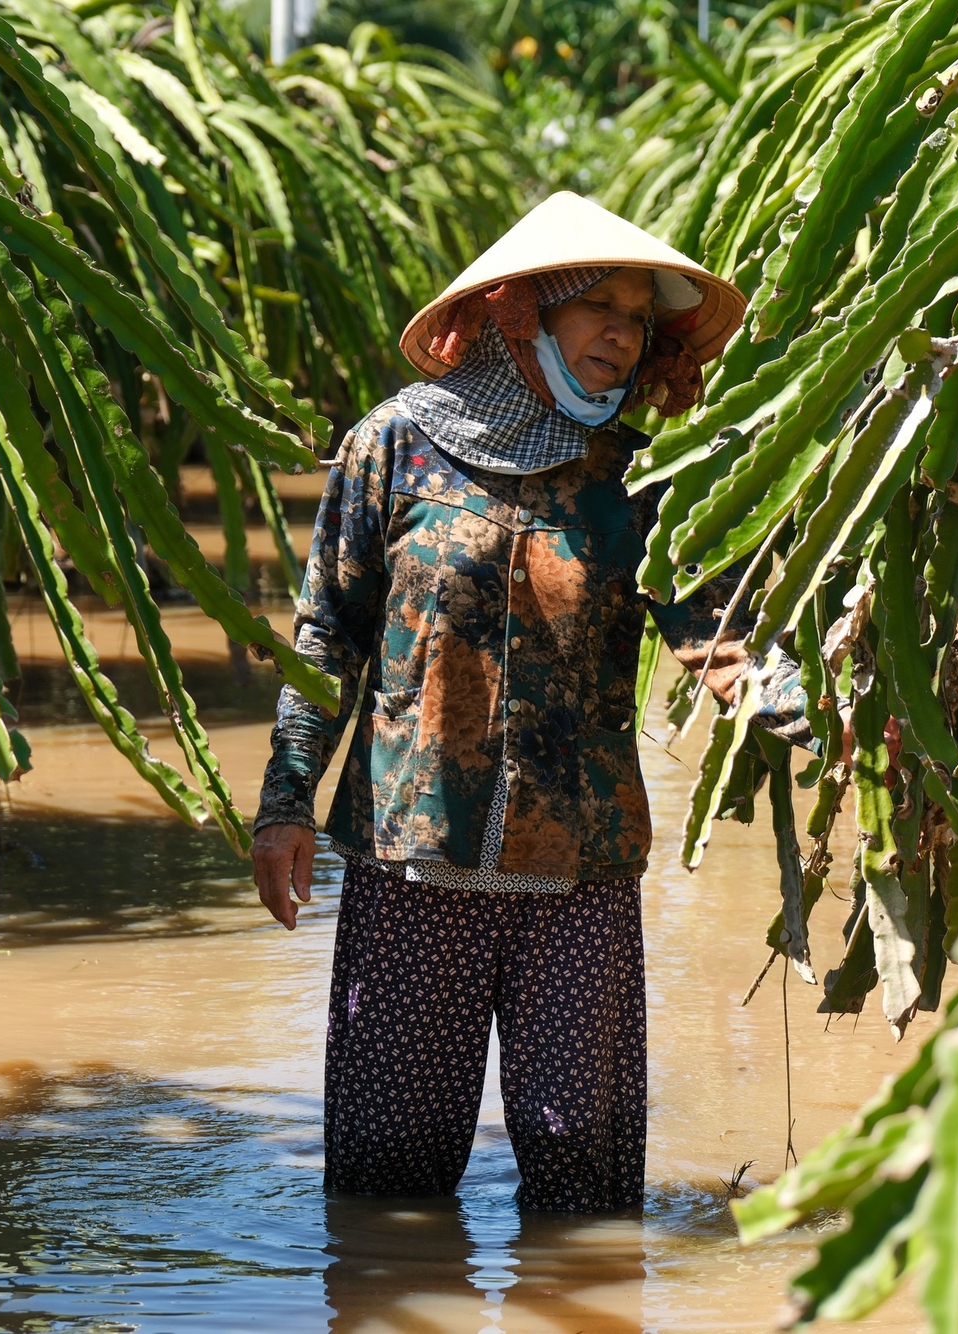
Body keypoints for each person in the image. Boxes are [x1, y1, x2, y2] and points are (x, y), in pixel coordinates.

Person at [249, 193, 809, 1213]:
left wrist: (831, 711)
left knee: (583, 1189)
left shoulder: (635, 479)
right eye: (597, 305)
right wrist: (284, 801)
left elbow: (718, 638)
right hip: (413, 861)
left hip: (579, 874)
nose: (621, 334)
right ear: (523, 317)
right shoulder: (393, 448)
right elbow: (326, 632)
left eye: (638, 318)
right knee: (387, 1190)